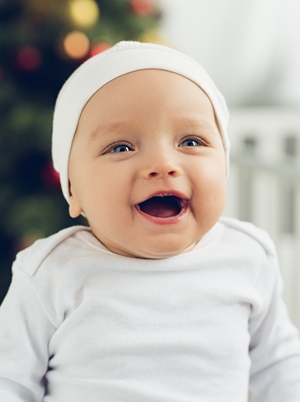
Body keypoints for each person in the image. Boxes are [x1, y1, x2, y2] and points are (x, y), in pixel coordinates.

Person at [0, 41, 299, 402]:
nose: (163, 163)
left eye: (191, 140)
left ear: (224, 165)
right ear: (72, 189)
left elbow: (281, 367)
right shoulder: (51, 274)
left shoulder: (248, 257)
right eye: (121, 147)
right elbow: (10, 382)